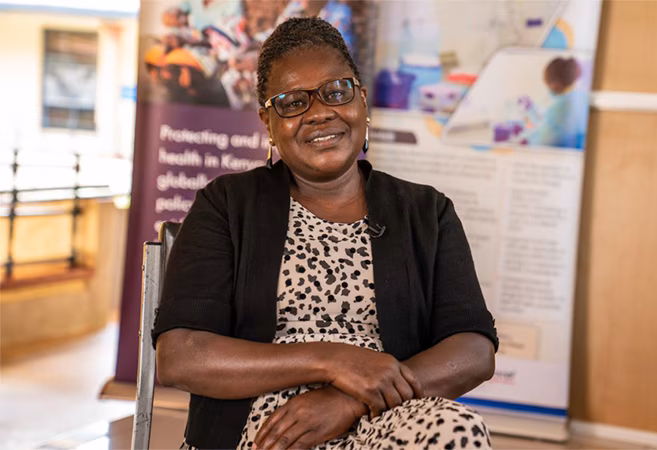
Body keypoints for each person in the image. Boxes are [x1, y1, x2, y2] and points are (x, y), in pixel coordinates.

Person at [154, 17, 498, 450]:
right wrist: (332, 360)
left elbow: (473, 349)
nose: (319, 113)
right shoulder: (225, 205)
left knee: (458, 429)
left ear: (361, 101)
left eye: (336, 92)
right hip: (263, 434)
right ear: (268, 122)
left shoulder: (426, 211)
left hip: (385, 422)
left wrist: (346, 400)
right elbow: (181, 357)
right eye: (293, 102)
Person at [524, 56, 588, 149]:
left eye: (548, 85)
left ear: (554, 85)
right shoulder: (581, 97)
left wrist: (527, 122)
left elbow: (539, 143)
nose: (548, 89)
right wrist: (531, 110)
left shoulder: (560, 109)